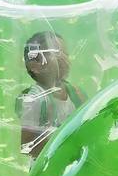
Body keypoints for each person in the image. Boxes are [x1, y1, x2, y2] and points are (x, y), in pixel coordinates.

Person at [16, 31, 86, 159]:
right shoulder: (35, 100)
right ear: (34, 65)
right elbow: (27, 146)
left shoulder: (76, 94)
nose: (64, 59)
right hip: (48, 169)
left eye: (66, 54)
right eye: (57, 53)